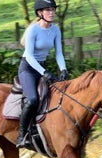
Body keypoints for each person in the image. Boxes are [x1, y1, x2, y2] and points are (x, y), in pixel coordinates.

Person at [16, 0, 69, 148]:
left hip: (42, 68)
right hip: (28, 68)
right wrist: (44, 72)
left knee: (55, 96)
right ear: (40, 13)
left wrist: (63, 69)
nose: (51, 12)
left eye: (53, 9)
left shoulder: (55, 30)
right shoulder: (33, 30)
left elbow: (59, 53)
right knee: (33, 99)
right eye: (48, 10)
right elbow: (30, 56)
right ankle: (21, 135)